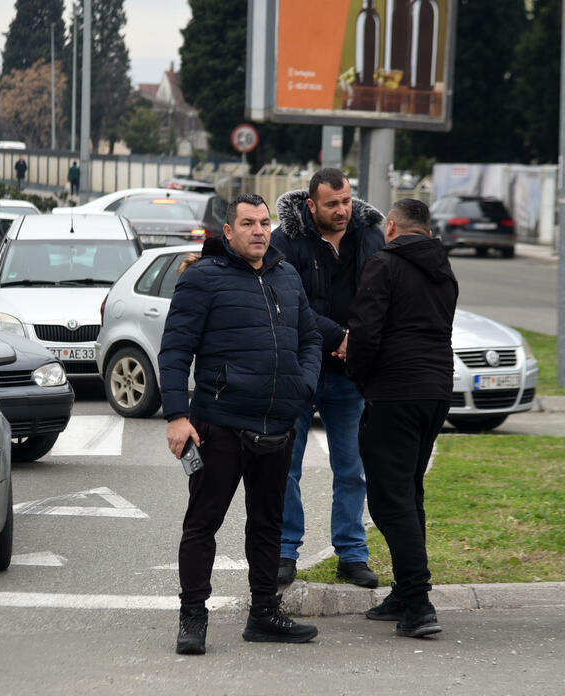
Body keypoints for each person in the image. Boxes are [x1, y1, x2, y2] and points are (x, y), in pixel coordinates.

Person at [159, 193, 322, 655]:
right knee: (202, 525)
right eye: (248, 223)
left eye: (265, 223)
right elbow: (175, 350)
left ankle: (264, 613)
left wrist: (303, 387)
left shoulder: (286, 275)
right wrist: (177, 416)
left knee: (268, 526)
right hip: (220, 426)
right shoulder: (203, 278)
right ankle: (193, 617)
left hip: (277, 426)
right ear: (228, 231)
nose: (259, 231)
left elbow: (310, 337)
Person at [345, 198, 458, 638]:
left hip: (394, 391)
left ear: (390, 226)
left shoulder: (384, 264)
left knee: (389, 501)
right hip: (436, 392)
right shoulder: (443, 268)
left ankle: (419, 604)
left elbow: (366, 331)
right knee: (409, 494)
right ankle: (404, 593)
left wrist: (358, 375)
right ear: (426, 229)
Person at [270, 168, 384, 589]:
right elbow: (288, 302)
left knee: (352, 469)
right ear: (311, 204)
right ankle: (285, 551)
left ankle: (352, 555)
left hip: (349, 374)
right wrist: (340, 337)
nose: (342, 210)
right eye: (332, 204)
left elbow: (381, 297)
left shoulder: (369, 237)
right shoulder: (286, 240)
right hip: (298, 368)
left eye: (346, 201)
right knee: (286, 468)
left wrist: (359, 341)